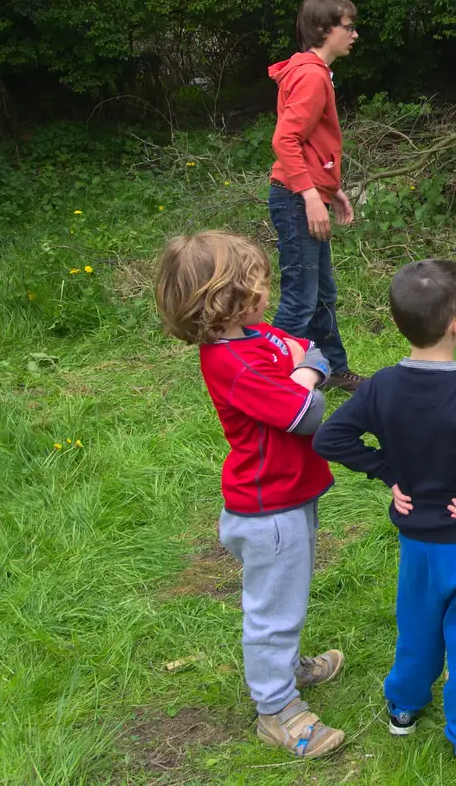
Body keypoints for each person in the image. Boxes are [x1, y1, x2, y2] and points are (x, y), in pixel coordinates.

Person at [314, 259, 456, 775]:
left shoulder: (382, 386)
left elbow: (330, 437)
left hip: (417, 542)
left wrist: (387, 472)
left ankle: (404, 707)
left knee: (417, 625)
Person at [153, 231, 346, 759]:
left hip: (290, 492)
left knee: (290, 596)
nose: (267, 291)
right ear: (227, 299)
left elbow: (306, 348)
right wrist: (309, 373)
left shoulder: (253, 337)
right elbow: (307, 413)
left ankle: (286, 671)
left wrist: (306, 366)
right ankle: (276, 711)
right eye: (258, 285)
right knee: (272, 612)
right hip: (269, 509)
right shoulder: (233, 363)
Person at [268, 0, 365, 393]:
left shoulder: (315, 72)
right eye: (348, 26)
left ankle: (332, 370)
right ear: (324, 29)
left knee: (323, 293)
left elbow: (311, 144)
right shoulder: (310, 75)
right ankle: (267, 379)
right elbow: (285, 140)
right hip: (294, 199)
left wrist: (331, 189)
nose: (354, 34)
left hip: (305, 193)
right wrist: (311, 196)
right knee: (300, 299)